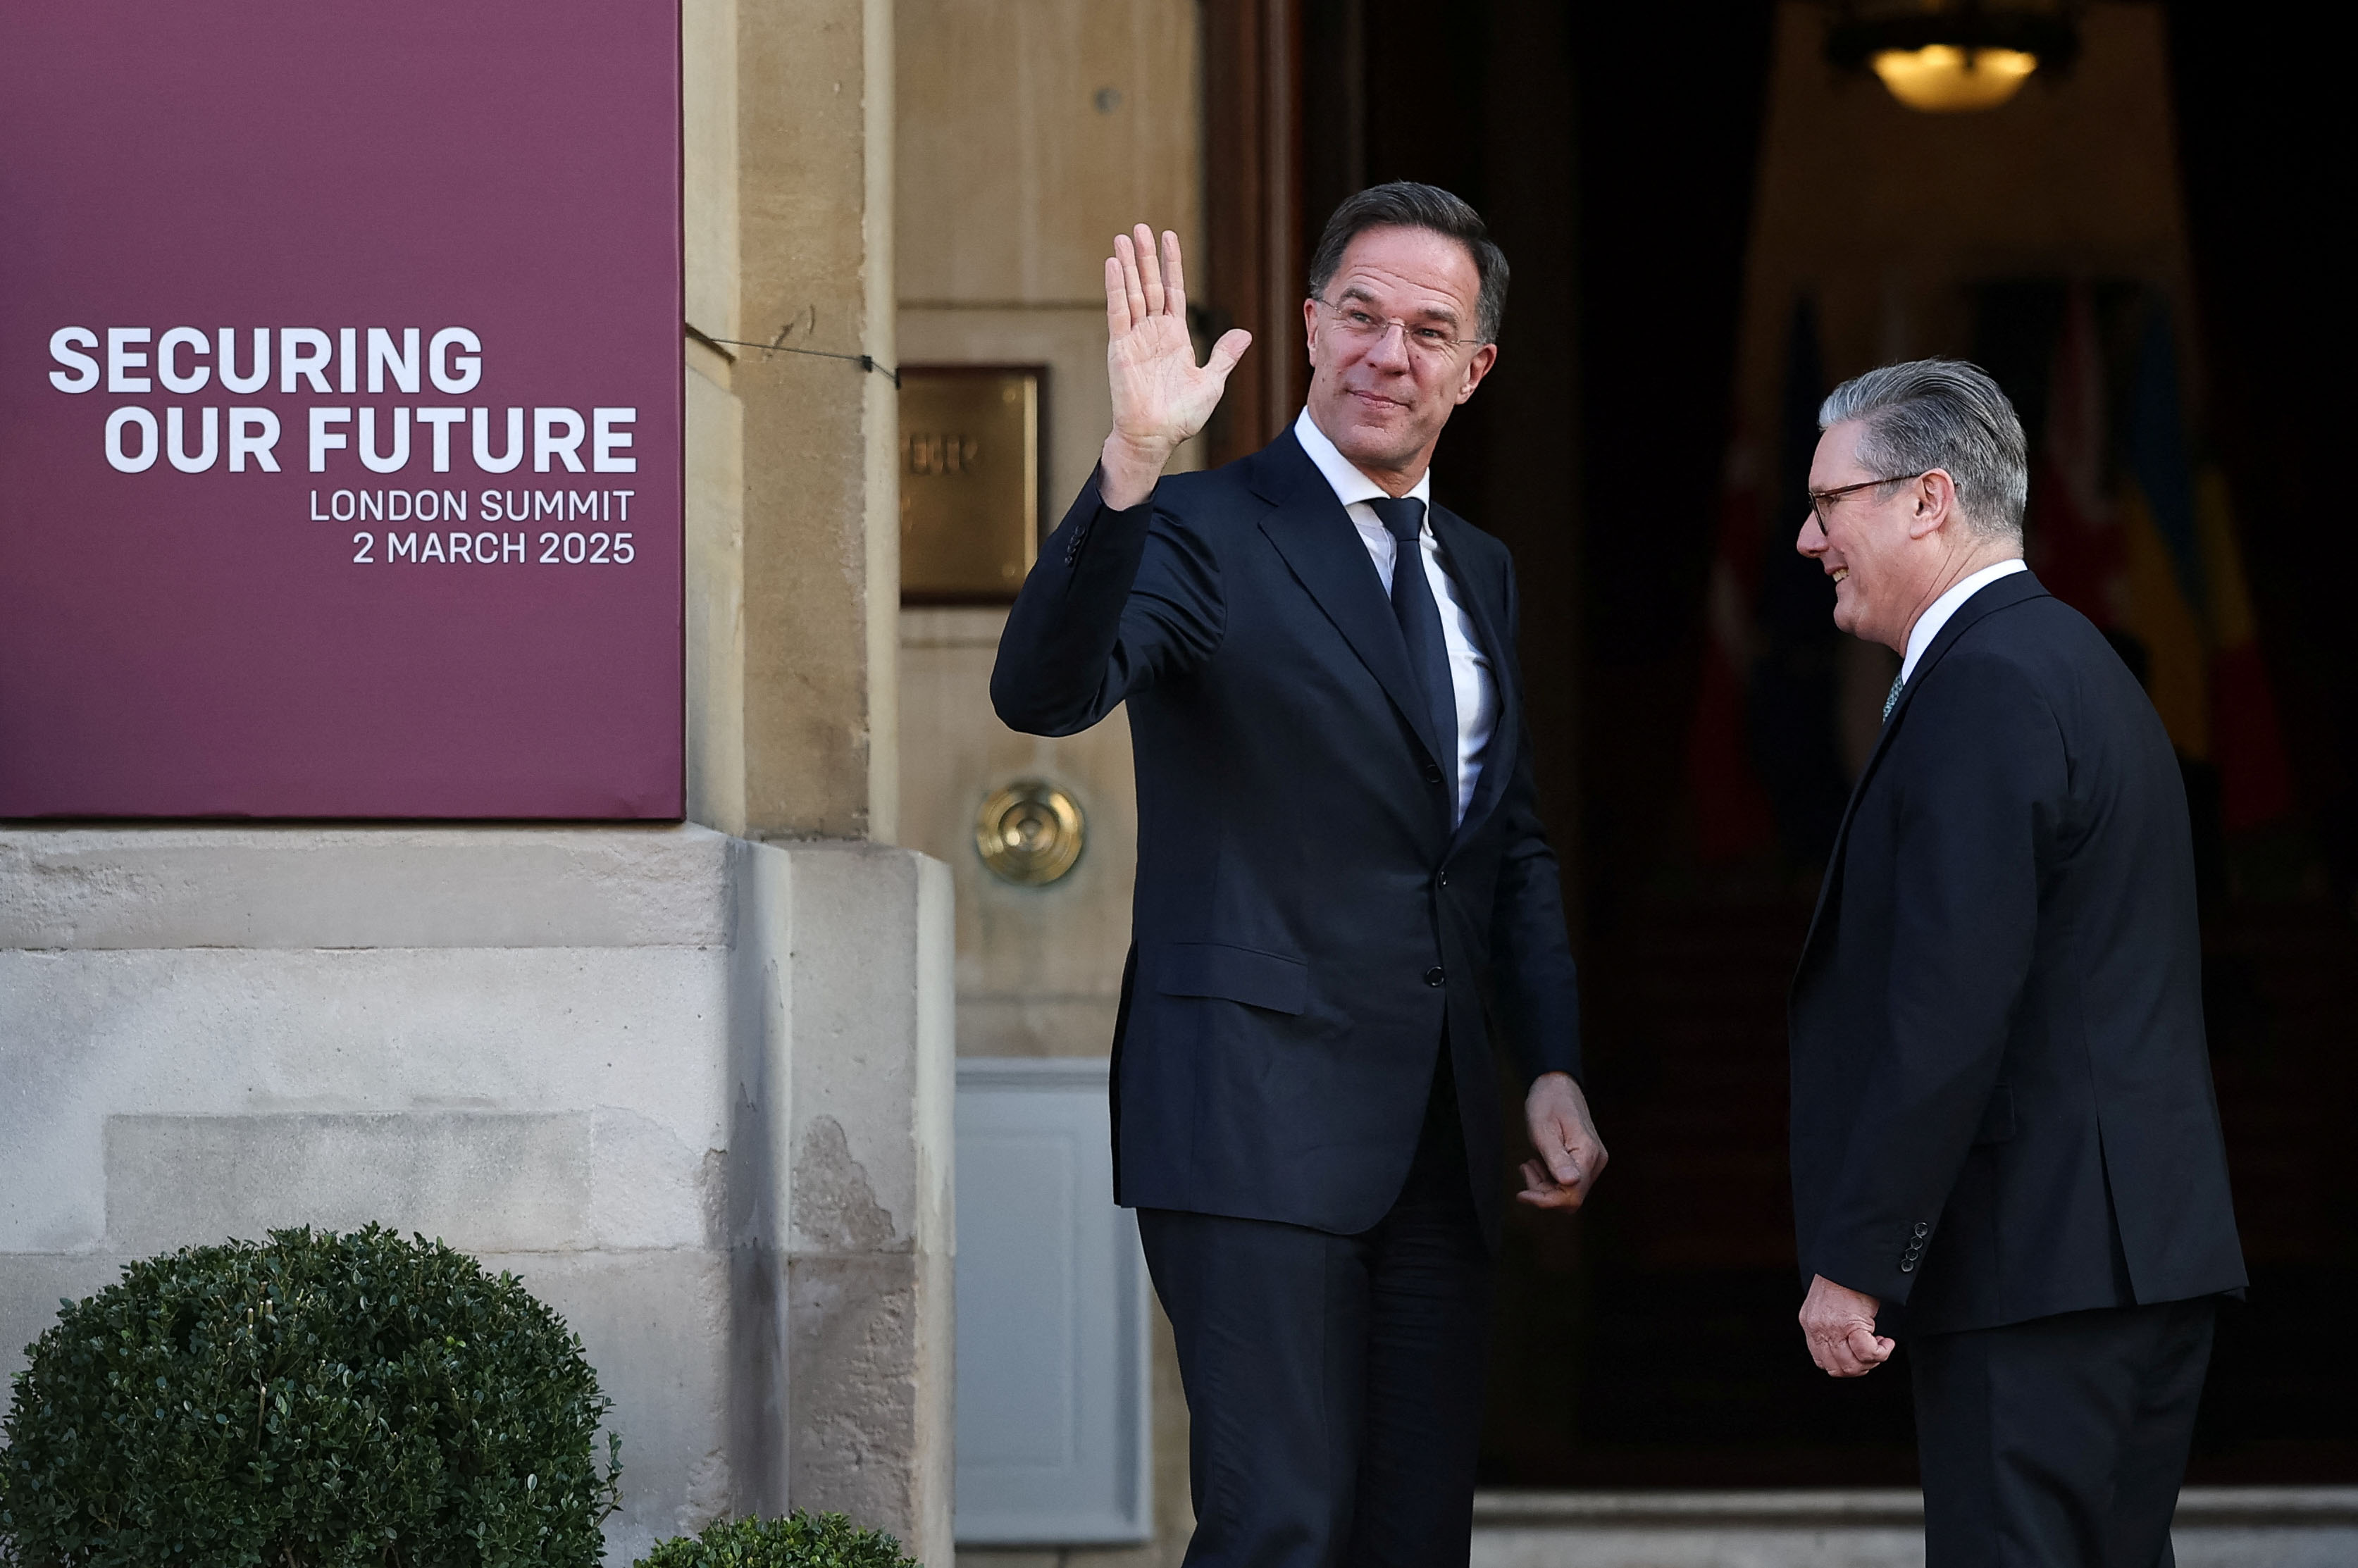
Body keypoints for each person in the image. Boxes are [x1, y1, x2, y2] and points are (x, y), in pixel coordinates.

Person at [991, 182, 1603, 1565]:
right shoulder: (1203, 527)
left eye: (1429, 330)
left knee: (1409, 1537)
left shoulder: (1483, 574)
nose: (1390, 354)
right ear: (1311, 327)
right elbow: (1042, 692)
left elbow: (1502, 846)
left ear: (1476, 366)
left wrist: (1549, 1061)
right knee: (1281, 1527)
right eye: (1363, 317)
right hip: (1251, 1118)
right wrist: (1136, 459)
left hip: (1440, 1141)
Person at [1787, 359, 2246, 1566]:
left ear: (1928, 499)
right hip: (2124, 1258)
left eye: (1831, 504)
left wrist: (1858, 1256)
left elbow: (1951, 1004)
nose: (1805, 537)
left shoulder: (1982, 685)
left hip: (2033, 1267)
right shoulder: (2077, 663)